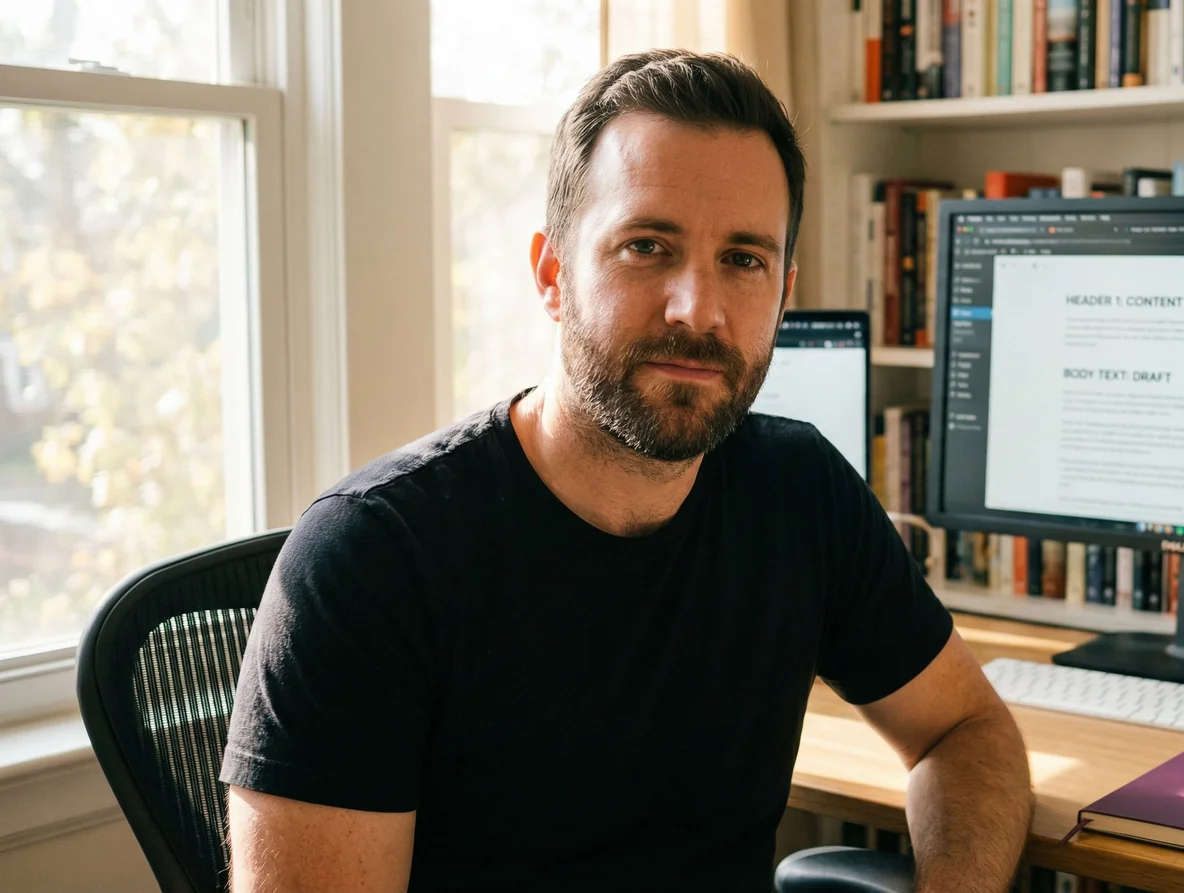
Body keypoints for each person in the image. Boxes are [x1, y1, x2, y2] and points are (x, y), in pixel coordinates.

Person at [222, 49, 1032, 892]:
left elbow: (967, 729)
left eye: (744, 260)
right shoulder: (370, 560)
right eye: (647, 246)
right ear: (552, 274)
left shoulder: (801, 493)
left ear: (783, 294)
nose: (699, 309)